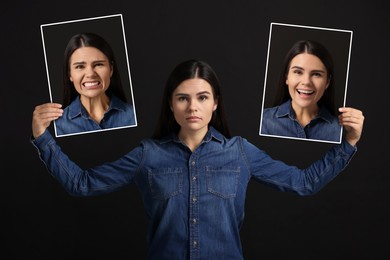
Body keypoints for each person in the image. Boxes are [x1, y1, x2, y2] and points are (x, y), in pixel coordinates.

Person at [31, 59, 364, 259]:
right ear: (171, 104)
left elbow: (303, 183)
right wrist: (42, 138)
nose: (192, 107)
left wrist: (347, 143)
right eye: (183, 98)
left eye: (202, 97)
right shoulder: (149, 154)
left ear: (215, 103)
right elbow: (82, 184)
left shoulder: (240, 153)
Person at [54, 32, 136, 136]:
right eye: (80, 66)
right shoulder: (57, 126)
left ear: (111, 69)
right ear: (70, 74)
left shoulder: (134, 116)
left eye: (98, 64)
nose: (90, 74)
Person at [260, 40, 342, 142]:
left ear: (327, 82)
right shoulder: (262, 121)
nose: (306, 82)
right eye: (298, 72)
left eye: (316, 74)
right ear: (286, 77)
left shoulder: (340, 131)